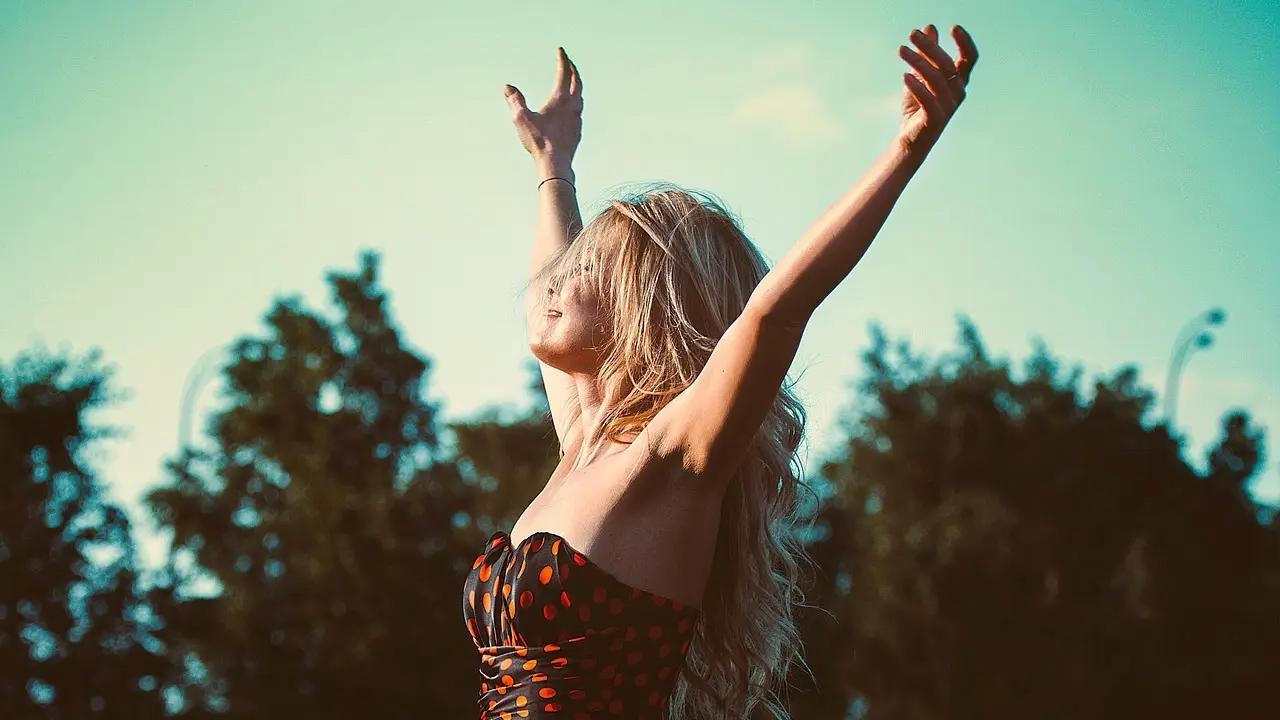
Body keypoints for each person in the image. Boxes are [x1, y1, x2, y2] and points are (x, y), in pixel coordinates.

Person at [463, 23, 979, 719]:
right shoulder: (582, 443)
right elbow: (542, 305)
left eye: (583, 271)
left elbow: (774, 312)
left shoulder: (672, 458)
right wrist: (553, 168)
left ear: (639, 307)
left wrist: (906, 150)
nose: (552, 284)